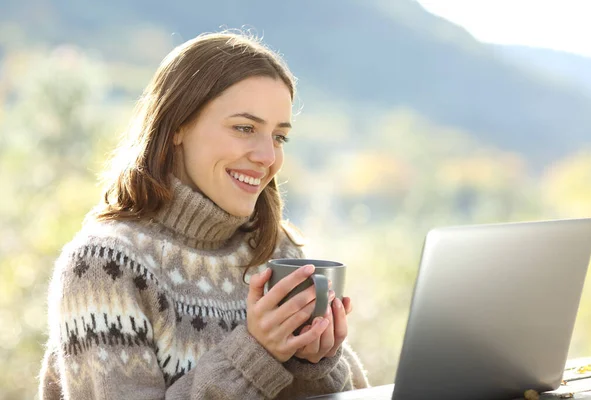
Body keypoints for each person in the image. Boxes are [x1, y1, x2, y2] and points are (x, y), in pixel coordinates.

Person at [39, 31, 369, 399]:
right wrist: (256, 355)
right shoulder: (105, 266)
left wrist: (314, 362)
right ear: (178, 125)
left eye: (279, 137)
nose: (266, 156)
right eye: (244, 128)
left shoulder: (279, 253)